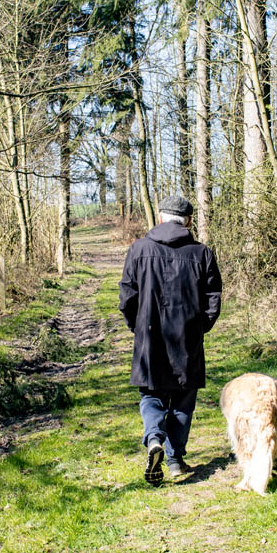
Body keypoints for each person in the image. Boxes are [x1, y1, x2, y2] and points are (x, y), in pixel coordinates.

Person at [119, 195, 222, 485]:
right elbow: (212, 299)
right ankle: (175, 460)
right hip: (187, 339)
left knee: (151, 395)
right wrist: (200, 327)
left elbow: (127, 296)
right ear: (188, 221)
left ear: (161, 218)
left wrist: (137, 328)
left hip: (149, 338)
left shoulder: (138, 249)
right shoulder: (202, 253)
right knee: (183, 399)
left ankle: (154, 439)